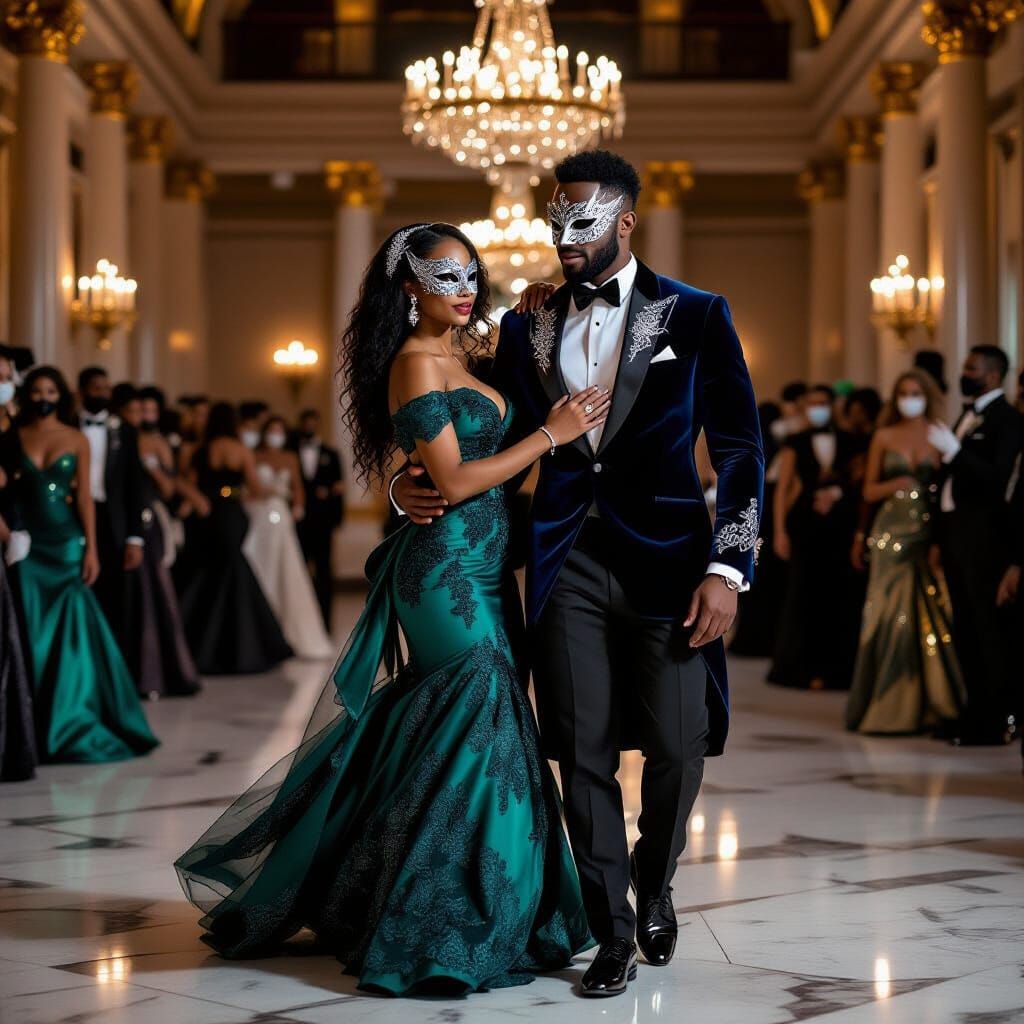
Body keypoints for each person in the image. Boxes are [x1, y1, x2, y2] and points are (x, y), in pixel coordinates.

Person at [176, 223, 598, 995]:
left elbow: (446, 465)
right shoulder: (412, 364)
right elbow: (460, 479)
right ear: (409, 288)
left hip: (484, 564)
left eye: (470, 274)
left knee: (465, 719)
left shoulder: (462, 358)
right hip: (443, 573)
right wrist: (550, 432)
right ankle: (441, 917)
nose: (463, 288)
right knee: (480, 709)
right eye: (444, 276)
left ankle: (409, 886)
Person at [393, 151, 764, 997]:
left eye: (581, 222)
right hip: (564, 561)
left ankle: (657, 882)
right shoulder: (526, 327)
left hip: (673, 566)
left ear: (625, 223)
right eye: (554, 220)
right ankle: (612, 931)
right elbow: (481, 436)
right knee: (580, 750)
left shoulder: (698, 316)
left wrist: (729, 567)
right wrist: (405, 482)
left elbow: (741, 449)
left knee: (679, 743)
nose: (563, 237)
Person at [1, 366, 157, 762]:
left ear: (61, 394)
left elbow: (85, 497)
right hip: (27, 545)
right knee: (32, 632)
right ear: (26, 394)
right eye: (36, 390)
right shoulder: (11, 437)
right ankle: (32, 726)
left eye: (50, 389)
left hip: (66, 541)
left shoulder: (76, 438)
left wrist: (90, 549)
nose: (43, 396)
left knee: (70, 634)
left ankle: (72, 721)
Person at [846, 370, 965, 734]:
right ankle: (887, 705)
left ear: (927, 396)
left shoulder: (939, 431)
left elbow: (949, 485)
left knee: (930, 614)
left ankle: (931, 703)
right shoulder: (883, 435)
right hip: (890, 533)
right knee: (887, 614)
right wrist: (894, 484)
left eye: (915, 392)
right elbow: (867, 492)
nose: (909, 398)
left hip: (927, 532)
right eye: (903, 393)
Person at [928, 345, 1021, 745]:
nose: (965, 373)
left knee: (987, 629)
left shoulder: (1007, 419)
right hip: (956, 534)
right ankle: (973, 711)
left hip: (985, 538)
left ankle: (996, 718)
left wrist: (955, 452)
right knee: (964, 625)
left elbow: (999, 477)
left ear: (995, 374)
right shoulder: (968, 412)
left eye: (973, 368)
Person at [175, 402, 292, 675]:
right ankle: (244, 646)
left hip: (206, 515)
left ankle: (199, 647)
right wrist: (274, 489)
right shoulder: (240, 450)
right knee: (234, 571)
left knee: (207, 574)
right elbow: (255, 488)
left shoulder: (199, 451)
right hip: (232, 514)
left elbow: (189, 483)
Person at [770, 384, 863, 690]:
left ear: (833, 405)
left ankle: (835, 669)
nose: (817, 408)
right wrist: (780, 531)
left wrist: (837, 493)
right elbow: (782, 489)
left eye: (822, 403)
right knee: (802, 594)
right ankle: (798, 668)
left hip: (840, 526)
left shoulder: (850, 441)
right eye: (812, 403)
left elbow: (858, 482)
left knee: (838, 597)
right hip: (805, 525)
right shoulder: (794, 442)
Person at [114, 384, 202, 699]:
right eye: (135, 410)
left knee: (151, 594)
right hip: (115, 521)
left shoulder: (156, 443)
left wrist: (152, 470)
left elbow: (168, 490)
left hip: (148, 523)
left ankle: (152, 673)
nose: (140, 416)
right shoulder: (114, 440)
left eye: (146, 410)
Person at [242, 414, 333, 659]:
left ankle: (285, 629)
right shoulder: (253, 455)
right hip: (257, 515)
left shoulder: (289, 457)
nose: (276, 435)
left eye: (280, 431)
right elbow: (246, 488)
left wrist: (297, 507)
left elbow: (297, 488)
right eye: (272, 430)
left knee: (285, 568)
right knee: (258, 564)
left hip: (280, 516)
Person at [76, 366, 147, 656]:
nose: (103, 394)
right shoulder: (67, 424)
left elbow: (135, 484)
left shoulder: (125, 431)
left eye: (107, 388)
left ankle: (113, 660)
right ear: (82, 391)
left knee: (115, 594)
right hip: (73, 516)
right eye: (96, 388)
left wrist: (135, 537)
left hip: (112, 518)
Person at [293, 407, 344, 629]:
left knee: (324, 571)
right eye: (306, 423)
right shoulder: (290, 453)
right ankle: (300, 622)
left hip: (323, 522)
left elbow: (339, 488)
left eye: (313, 423)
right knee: (297, 570)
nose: (309, 427)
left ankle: (325, 621)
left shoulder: (331, 454)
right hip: (298, 521)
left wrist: (336, 518)